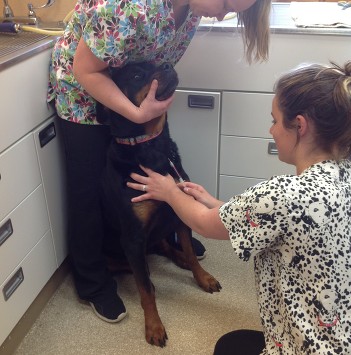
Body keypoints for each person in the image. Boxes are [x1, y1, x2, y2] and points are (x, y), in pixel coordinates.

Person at [48, 0, 272, 324]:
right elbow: (86, 70)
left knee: (162, 170)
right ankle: (92, 283)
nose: (222, 15)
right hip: (84, 93)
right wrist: (135, 112)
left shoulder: (192, 13)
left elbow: (153, 65)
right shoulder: (130, 6)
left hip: (135, 97)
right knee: (92, 191)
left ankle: (163, 234)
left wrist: (146, 109)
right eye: (224, 3)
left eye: (231, 12)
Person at [127, 61, 351, 354]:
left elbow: (206, 224)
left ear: (300, 125)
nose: (271, 130)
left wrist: (170, 192)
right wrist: (216, 203)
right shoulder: (341, 175)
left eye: (274, 120)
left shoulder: (283, 195)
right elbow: (273, 221)